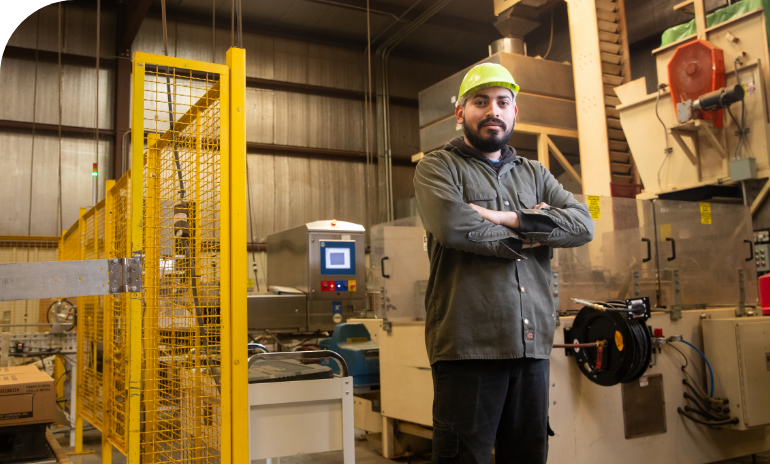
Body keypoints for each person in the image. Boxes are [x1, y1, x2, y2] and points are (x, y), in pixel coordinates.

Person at [413, 63, 594, 464]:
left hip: (531, 348)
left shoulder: (535, 173)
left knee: (528, 455)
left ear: (515, 112)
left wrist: (509, 218)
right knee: (465, 457)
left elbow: (583, 226)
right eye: (481, 102)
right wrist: (539, 228)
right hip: (469, 348)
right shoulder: (437, 167)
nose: (492, 110)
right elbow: (454, 226)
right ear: (461, 112)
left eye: (502, 102)